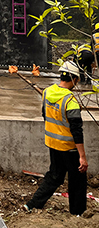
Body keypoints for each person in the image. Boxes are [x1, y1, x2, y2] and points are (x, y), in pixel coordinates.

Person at [25, 61, 88, 216]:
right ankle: (77, 213)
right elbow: (76, 131)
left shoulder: (47, 92)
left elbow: (45, 115)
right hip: (69, 148)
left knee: (55, 176)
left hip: (53, 143)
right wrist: (82, 156)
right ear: (74, 79)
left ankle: (32, 204)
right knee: (78, 181)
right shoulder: (70, 101)